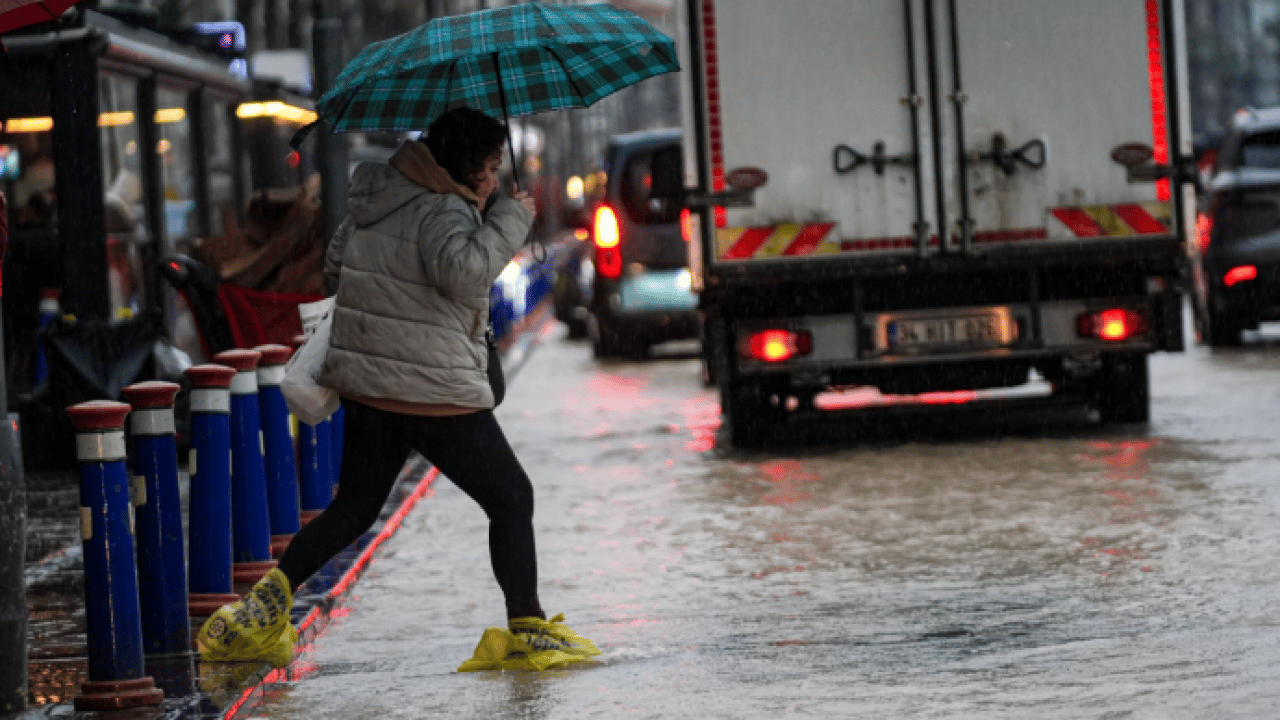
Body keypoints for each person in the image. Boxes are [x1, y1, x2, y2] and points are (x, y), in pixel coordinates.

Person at [195, 107, 600, 671]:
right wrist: (508, 218)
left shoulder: (378, 195)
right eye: (487, 167)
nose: (490, 178)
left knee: (353, 509)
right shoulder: (443, 208)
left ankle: (262, 609)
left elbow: (337, 268)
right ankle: (527, 627)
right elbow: (462, 273)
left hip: (369, 387)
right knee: (511, 497)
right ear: (464, 167)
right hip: (431, 390)